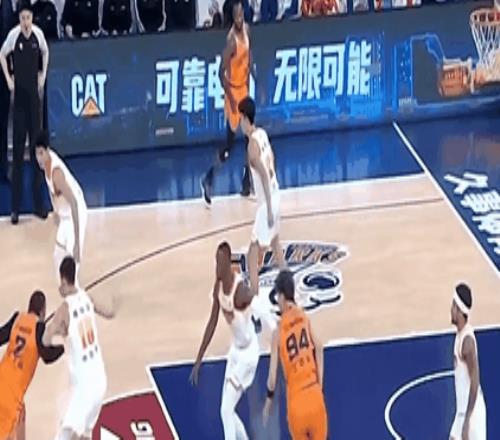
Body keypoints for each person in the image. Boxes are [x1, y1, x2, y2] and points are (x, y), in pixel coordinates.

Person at [43, 256, 118, 440]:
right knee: (85, 434)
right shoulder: (87, 298)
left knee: (65, 436)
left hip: (84, 386)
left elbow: (45, 340)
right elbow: (109, 312)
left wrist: (59, 332)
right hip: (99, 379)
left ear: (63, 280)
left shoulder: (64, 310)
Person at [190, 241, 259, 439]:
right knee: (226, 410)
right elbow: (212, 322)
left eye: (220, 263)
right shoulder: (218, 287)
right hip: (235, 352)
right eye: (215, 262)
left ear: (228, 263)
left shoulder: (240, 290)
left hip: (248, 355)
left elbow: (255, 297)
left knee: (226, 410)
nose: (217, 267)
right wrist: (199, 357)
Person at [238, 96, 285, 335]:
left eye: (240, 119)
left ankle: (255, 311)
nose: (239, 124)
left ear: (245, 118)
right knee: (276, 247)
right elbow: (272, 162)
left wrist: (266, 209)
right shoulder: (263, 134)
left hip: (268, 202)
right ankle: (290, 298)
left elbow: (264, 176)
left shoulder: (251, 147)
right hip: (277, 194)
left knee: (252, 253)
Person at [263, 270, 328, 440]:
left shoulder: (278, 332)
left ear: (282, 297)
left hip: (296, 404)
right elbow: (319, 347)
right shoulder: (304, 318)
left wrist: (268, 400)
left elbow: (272, 379)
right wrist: (319, 385)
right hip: (314, 395)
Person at [200, 0, 253, 207]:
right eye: (237, 16)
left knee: (249, 138)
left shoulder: (247, 30)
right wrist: (230, 98)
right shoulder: (231, 41)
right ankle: (208, 178)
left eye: (242, 15)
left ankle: (246, 182)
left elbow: (249, 56)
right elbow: (220, 72)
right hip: (232, 92)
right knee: (229, 146)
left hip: (244, 90)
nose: (240, 19)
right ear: (233, 17)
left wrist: (253, 76)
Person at [0, 1, 49, 224]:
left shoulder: (38, 35)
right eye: (22, 19)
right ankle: (15, 209)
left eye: (28, 18)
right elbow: (2, 55)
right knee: (18, 156)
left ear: (32, 18)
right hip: (19, 102)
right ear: (19, 19)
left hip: (34, 104)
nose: (26, 22)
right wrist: (9, 80)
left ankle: (39, 205)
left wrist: (43, 75)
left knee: (37, 154)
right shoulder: (13, 36)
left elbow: (46, 52)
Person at [0, 291, 65, 440]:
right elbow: (47, 355)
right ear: (43, 311)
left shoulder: (18, 318)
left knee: (22, 415)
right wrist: (63, 348)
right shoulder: (39, 328)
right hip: (11, 398)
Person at [35, 131, 88, 284]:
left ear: (47, 151)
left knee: (71, 269)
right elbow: (51, 190)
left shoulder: (57, 173)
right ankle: (67, 291)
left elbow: (74, 203)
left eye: (41, 153)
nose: (39, 158)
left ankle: (79, 296)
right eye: (36, 154)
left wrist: (77, 243)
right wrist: (55, 210)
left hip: (76, 214)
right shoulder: (45, 166)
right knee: (58, 256)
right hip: (65, 216)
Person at [449, 283, 487, 440]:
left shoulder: (467, 343)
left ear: (459, 310)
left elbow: (475, 382)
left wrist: (467, 422)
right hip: (462, 412)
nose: (451, 310)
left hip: (472, 415)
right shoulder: (460, 335)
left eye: (453, 306)